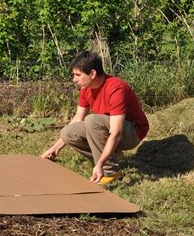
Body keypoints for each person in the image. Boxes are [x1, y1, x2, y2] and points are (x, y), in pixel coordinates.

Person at [41, 51, 149, 185]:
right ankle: (111, 156)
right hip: (108, 129)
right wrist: (55, 148)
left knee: (92, 120)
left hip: (132, 132)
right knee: (68, 132)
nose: (74, 80)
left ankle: (111, 171)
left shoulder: (116, 88)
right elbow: (77, 119)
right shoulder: (85, 89)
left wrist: (101, 164)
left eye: (78, 75)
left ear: (92, 74)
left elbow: (116, 132)